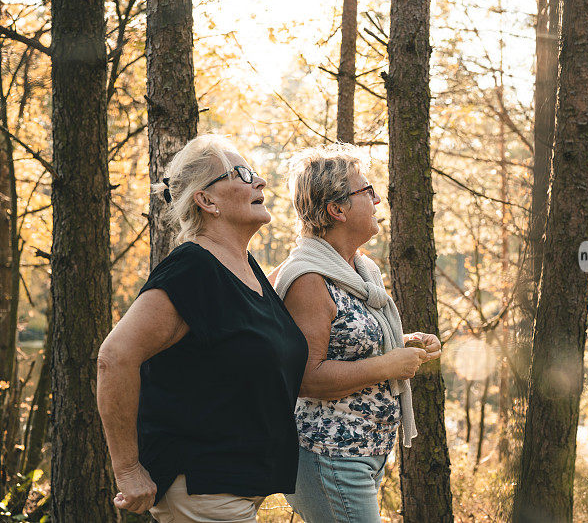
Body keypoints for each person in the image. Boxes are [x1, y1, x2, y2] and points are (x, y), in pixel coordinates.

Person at [96, 134, 308, 522]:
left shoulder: (245, 267)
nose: (259, 182)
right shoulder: (192, 268)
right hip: (200, 485)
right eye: (242, 173)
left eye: (256, 173)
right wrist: (127, 470)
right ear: (207, 201)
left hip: (238, 485)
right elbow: (114, 356)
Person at [271, 143, 442, 523]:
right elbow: (305, 377)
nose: (377, 199)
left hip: (362, 453)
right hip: (328, 453)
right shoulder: (309, 279)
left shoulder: (359, 270)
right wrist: (388, 364)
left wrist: (407, 344)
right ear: (337, 209)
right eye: (367, 191)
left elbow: (350, 345)